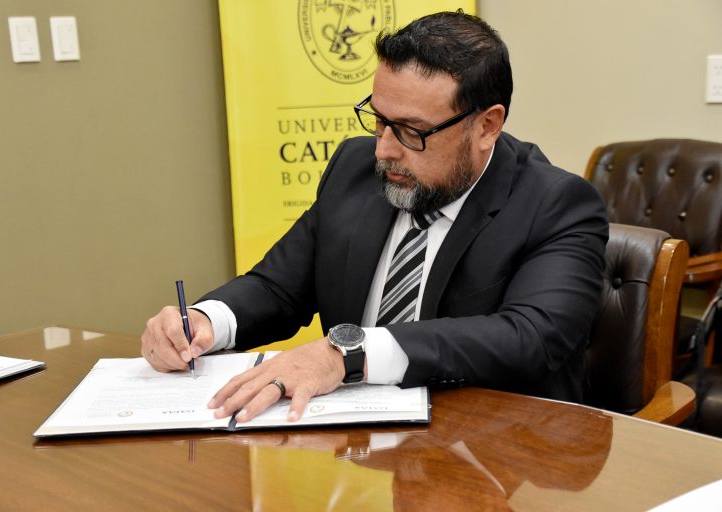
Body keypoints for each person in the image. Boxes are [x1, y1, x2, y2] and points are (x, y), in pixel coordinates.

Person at [141, 10, 608, 424]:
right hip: (356, 448)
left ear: (486, 125)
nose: (384, 150)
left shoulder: (556, 204)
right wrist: (206, 321)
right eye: (380, 119)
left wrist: (347, 354)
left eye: (411, 131)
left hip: (495, 451)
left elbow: (530, 337)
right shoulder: (355, 168)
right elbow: (278, 287)